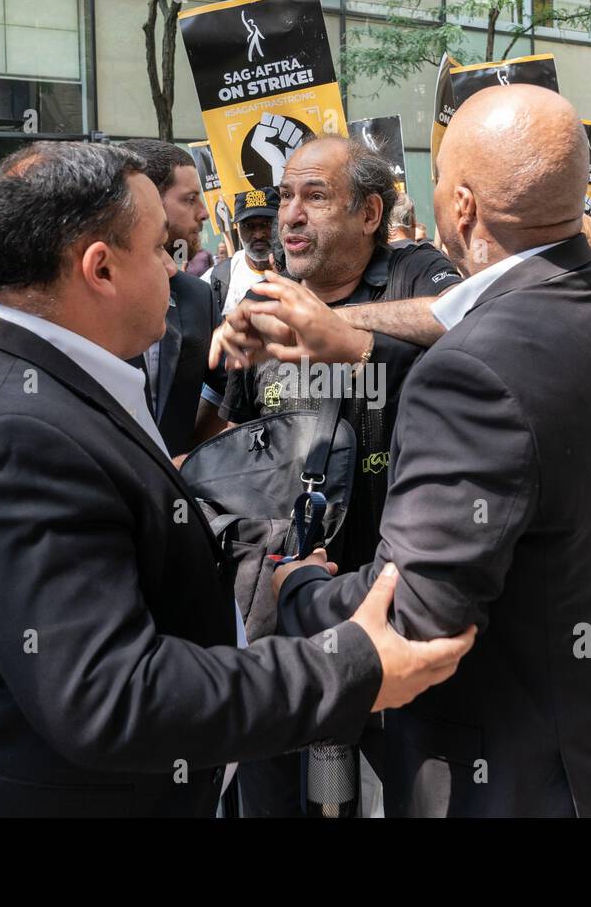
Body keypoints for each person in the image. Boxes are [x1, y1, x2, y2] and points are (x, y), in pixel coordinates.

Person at [0, 140, 474, 818]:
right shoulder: (17, 436)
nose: (179, 273)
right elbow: (113, 695)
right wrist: (349, 664)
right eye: (161, 251)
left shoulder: (54, 392)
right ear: (101, 269)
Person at [262, 85, 591, 816]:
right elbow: (463, 308)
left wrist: (295, 592)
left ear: (461, 207)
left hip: (516, 777)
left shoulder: (470, 369)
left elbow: (419, 614)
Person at [214, 135, 460, 816]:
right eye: (284, 196)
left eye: (314, 197)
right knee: (307, 801)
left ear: (369, 214)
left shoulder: (418, 273)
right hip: (283, 611)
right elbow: (228, 434)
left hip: (391, 610)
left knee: (431, 797)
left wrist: (337, 328)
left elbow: (470, 323)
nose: (290, 215)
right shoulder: (259, 304)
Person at [119, 138, 226, 457]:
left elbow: (230, 392)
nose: (204, 213)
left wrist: (184, 459)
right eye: (190, 199)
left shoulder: (198, 296)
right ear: (147, 200)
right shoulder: (87, 299)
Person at [202, 187, 277, 317]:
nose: (258, 235)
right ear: (238, 229)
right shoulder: (216, 280)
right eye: (248, 226)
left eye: (266, 224)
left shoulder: (301, 274)